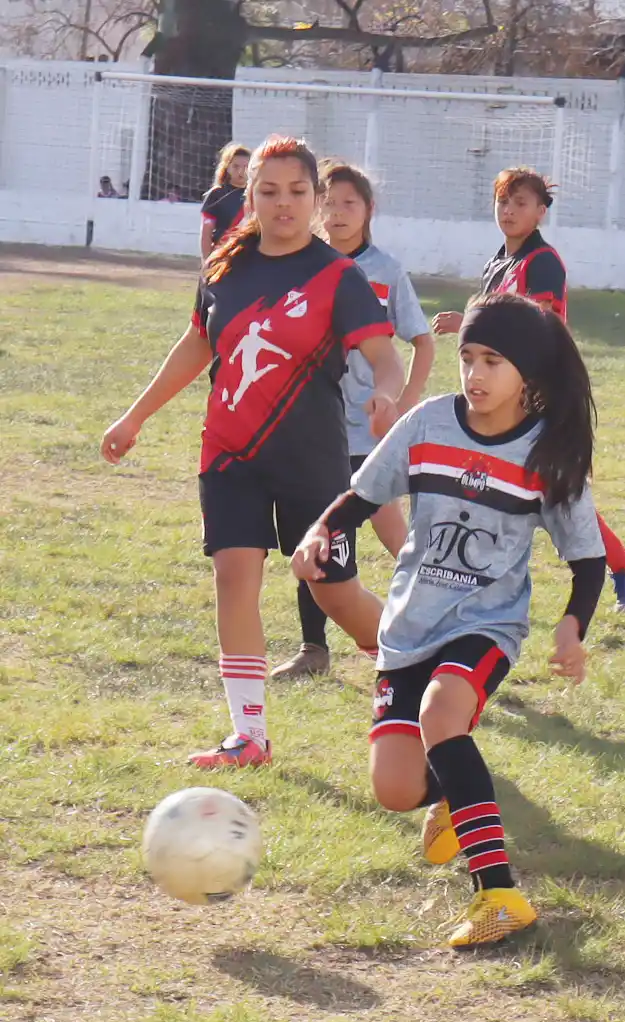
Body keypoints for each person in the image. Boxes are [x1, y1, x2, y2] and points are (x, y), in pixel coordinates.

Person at [292, 292, 606, 947]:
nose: (475, 373)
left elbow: (587, 559)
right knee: (394, 789)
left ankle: (498, 894)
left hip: (484, 626)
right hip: (408, 629)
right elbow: (360, 497)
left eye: (493, 360)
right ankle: (454, 794)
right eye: (467, 357)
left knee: (442, 715)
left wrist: (572, 626)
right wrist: (320, 535)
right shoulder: (430, 422)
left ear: (529, 374)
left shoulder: (547, 453)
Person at [100, 135, 408, 769]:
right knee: (234, 576)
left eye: (297, 192)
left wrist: (384, 394)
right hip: (230, 453)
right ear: (250, 196)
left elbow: (384, 356)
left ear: (317, 199)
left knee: (334, 591)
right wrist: (134, 416)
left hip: (311, 463)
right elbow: (195, 347)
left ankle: (421, 675)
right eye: (268, 191)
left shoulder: (338, 275)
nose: (283, 204)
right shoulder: (224, 269)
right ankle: (249, 736)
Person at [432, 167, 625, 614]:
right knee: (536, 486)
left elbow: (538, 322)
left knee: (555, 490)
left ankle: (623, 564)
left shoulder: (542, 261)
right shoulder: (500, 260)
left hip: (541, 388)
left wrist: (469, 321)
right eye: (503, 202)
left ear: (541, 212)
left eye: (521, 203)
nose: (509, 211)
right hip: (506, 391)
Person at [273, 160, 436, 681]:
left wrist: (404, 401)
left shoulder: (385, 271)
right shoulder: (301, 264)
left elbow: (422, 339)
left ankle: (438, 626)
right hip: (313, 429)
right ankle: (313, 649)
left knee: (400, 540)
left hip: (370, 435)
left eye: (350, 202)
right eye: (329, 201)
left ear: (369, 209)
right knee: (314, 532)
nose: (337, 212)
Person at [200, 143, 251, 260]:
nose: (241, 171)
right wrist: (207, 263)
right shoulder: (216, 194)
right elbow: (206, 234)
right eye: (236, 166)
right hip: (222, 257)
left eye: (246, 167)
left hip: (249, 260)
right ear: (227, 167)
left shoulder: (257, 195)